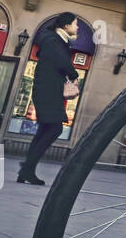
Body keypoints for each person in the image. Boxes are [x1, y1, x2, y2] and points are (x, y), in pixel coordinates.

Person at [18, 12, 80, 186]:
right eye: (75, 24)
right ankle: (28, 168)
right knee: (54, 129)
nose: (77, 28)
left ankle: (26, 169)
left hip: (48, 90)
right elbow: (60, 60)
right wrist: (74, 74)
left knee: (46, 129)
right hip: (47, 91)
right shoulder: (53, 40)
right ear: (66, 25)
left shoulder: (55, 40)